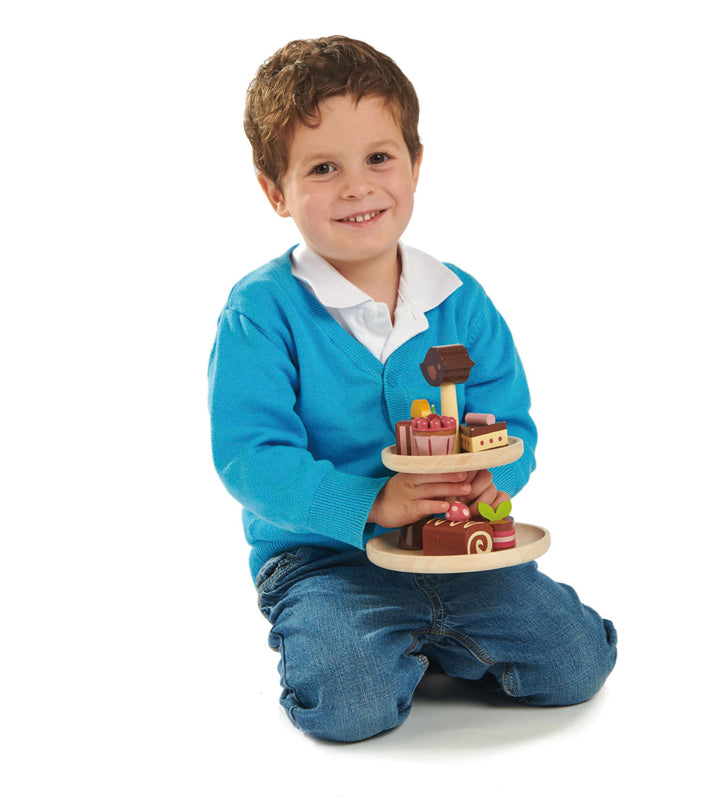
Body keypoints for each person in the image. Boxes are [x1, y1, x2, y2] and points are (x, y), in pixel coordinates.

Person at [208, 35, 617, 743]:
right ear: (276, 191)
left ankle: (429, 638)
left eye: (378, 158)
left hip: (455, 546)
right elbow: (251, 457)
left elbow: (513, 425)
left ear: (415, 164)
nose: (357, 187)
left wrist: (493, 477)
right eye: (323, 168)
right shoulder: (262, 312)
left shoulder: (458, 299)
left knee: (576, 665)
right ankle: (385, 645)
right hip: (327, 560)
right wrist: (374, 503)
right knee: (351, 707)